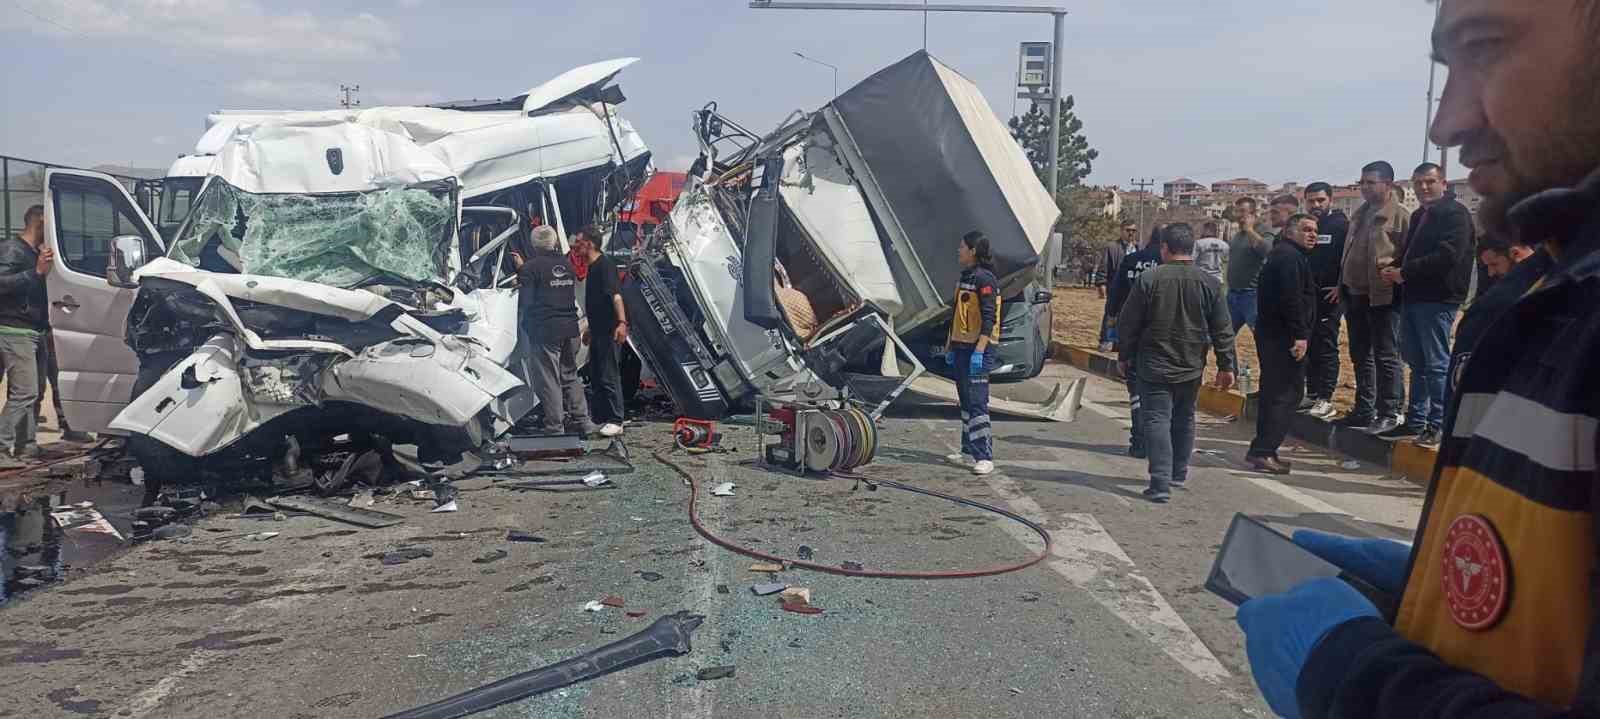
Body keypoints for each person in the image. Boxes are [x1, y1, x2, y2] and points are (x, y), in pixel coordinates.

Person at [1237, 2, 1600, 716]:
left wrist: (1353, 678)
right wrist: (1453, 596)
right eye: (1446, 67)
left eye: (1488, 46)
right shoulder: (1551, 296)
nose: (1447, 123)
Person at [1115, 222, 1236, 503]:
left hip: (1153, 363)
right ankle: (1178, 473)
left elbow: (1128, 323)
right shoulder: (1210, 283)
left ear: (1164, 248)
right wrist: (1226, 366)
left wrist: (1124, 355)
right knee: (1184, 417)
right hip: (1191, 363)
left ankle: (1159, 483)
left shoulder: (1149, 279)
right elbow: (1223, 328)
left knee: (1156, 418)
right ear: (1192, 249)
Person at [1378, 163, 1475, 447]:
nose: (1423, 188)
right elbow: (1409, 255)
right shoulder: (1421, 214)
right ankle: (1415, 420)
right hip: (1414, 296)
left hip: (1438, 298)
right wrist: (1393, 268)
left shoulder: (1455, 214)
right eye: (1418, 182)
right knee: (1416, 362)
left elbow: (1448, 256)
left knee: (1435, 365)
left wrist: (1404, 273)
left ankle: (1438, 424)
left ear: (1443, 183)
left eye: (1430, 182)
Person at [1337, 161, 1410, 435]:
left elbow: (1407, 256)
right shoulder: (1359, 214)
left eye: (1370, 182)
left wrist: (1396, 274)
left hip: (1383, 297)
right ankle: (1364, 408)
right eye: (1362, 182)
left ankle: (1389, 411)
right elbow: (1348, 253)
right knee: (1360, 355)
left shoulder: (1400, 217)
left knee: (1386, 355)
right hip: (1354, 294)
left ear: (1388, 184)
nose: (1364, 187)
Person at [1245, 214, 1318, 475]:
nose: (1312, 234)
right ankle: (1264, 451)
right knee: (1284, 395)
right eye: (1306, 229)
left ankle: (1263, 449)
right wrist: (1300, 335)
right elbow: (1292, 299)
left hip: (1275, 335)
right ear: (1289, 232)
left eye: (1314, 230)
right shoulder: (1288, 257)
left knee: (1276, 393)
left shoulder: (1287, 254)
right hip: (1283, 338)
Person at [517, 225, 594, 437]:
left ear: (534, 244)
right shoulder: (566, 265)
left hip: (546, 331)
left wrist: (522, 273)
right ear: (554, 242)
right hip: (570, 329)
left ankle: (555, 428)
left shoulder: (530, 269)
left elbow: (526, 302)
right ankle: (583, 421)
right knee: (570, 376)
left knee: (549, 379)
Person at [0, 205, 54, 468]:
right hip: (15, 330)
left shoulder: (33, 252)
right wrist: (36, 273)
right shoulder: (12, 248)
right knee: (24, 392)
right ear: (40, 221)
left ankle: (26, 447)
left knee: (34, 392)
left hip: (35, 330)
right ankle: (1, 449)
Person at [943, 231, 1001, 476]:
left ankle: (984, 455)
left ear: (973, 251)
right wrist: (950, 346)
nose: (959, 251)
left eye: (962, 247)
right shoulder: (965, 277)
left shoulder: (985, 280)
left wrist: (980, 349)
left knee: (977, 401)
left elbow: (990, 317)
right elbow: (957, 315)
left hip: (979, 349)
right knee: (965, 399)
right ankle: (967, 448)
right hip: (961, 346)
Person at [1106, 226, 1163, 458]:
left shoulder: (1131, 260)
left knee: (1137, 393)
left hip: (1131, 334)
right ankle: (1158, 443)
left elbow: (1116, 294)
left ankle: (1139, 442)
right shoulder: (1167, 264)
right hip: (1161, 335)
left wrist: (1110, 319)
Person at [1302, 182, 1350, 419]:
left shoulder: (1340, 225)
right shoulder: (1307, 225)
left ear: (1330, 200)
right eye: (1311, 200)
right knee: (1308, 344)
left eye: (1320, 200)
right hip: (1308, 297)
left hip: (1330, 297)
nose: (1316, 205)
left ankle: (1325, 397)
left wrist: (1342, 286)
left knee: (1326, 345)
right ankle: (1311, 392)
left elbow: (1348, 258)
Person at [576, 226, 626, 439]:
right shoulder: (592, 267)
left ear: (589, 243)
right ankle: (601, 416)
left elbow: (616, 296)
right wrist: (589, 328)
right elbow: (598, 303)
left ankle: (616, 419)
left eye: (578, 241)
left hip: (609, 331)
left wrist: (622, 322)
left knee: (608, 375)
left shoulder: (605, 266)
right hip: (597, 330)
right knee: (596, 375)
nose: (574, 245)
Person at [1225, 198, 1271, 334]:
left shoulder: (1264, 231)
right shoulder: (1237, 235)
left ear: (1253, 214)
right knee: (1224, 335)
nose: (1239, 215)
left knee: (1261, 337)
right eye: (1237, 211)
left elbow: (1267, 251)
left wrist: (1250, 230)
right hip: (1232, 295)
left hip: (1252, 296)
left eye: (1243, 211)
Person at [1097, 222, 1140, 351]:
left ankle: (1123, 343)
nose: (1131, 233)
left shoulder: (1139, 248)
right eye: (1128, 230)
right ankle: (1107, 340)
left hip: (1133, 289)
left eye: (1134, 230)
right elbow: (1104, 267)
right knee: (1111, 315)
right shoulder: (1112, 248)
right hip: (1115, 287)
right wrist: (1101, 284)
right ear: (1121, 231)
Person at [1192, 221, 1229, 285]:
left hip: (1202, 279)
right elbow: (1226, 260)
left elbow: (1192, 259)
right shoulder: (1224, 244)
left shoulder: (1199, 243)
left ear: (1206, 230)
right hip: (1218, 278)